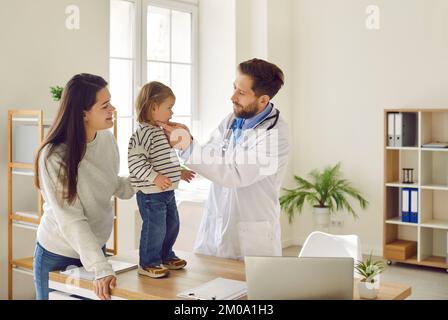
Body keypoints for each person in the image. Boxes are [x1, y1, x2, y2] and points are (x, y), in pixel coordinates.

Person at [159, 58, 290, 260]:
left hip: (251, 240)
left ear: (263, 100)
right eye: (234, 88)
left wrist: (187, 145)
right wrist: (189, 140)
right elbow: (211, 155)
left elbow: (234, 174)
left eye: (241, 92)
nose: (232, 97)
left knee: (248, 290)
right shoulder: (232, 120)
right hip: (216, 226)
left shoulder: (275, 134)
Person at [33, 73, 135, 300]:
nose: (113, 109)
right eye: (105, 105)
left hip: (95, 249)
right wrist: (100, 267)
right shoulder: (54, 155)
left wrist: (149, 175)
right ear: (83, 113)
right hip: (58, 254)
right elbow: (71, 219)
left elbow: (115, 185)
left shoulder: (107, 141)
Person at [128, 81, 195, 278]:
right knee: (154, 228)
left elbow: (165, 159)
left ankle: (165, 255)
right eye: (169, 108)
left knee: (172, 225)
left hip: (167, 192)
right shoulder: (142, 134)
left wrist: (179, 171)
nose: (172, 113)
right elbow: (135, 162)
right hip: (151, 194)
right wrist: (154, 177)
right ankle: (148, 262)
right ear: (153, 107)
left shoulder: (160, 132)